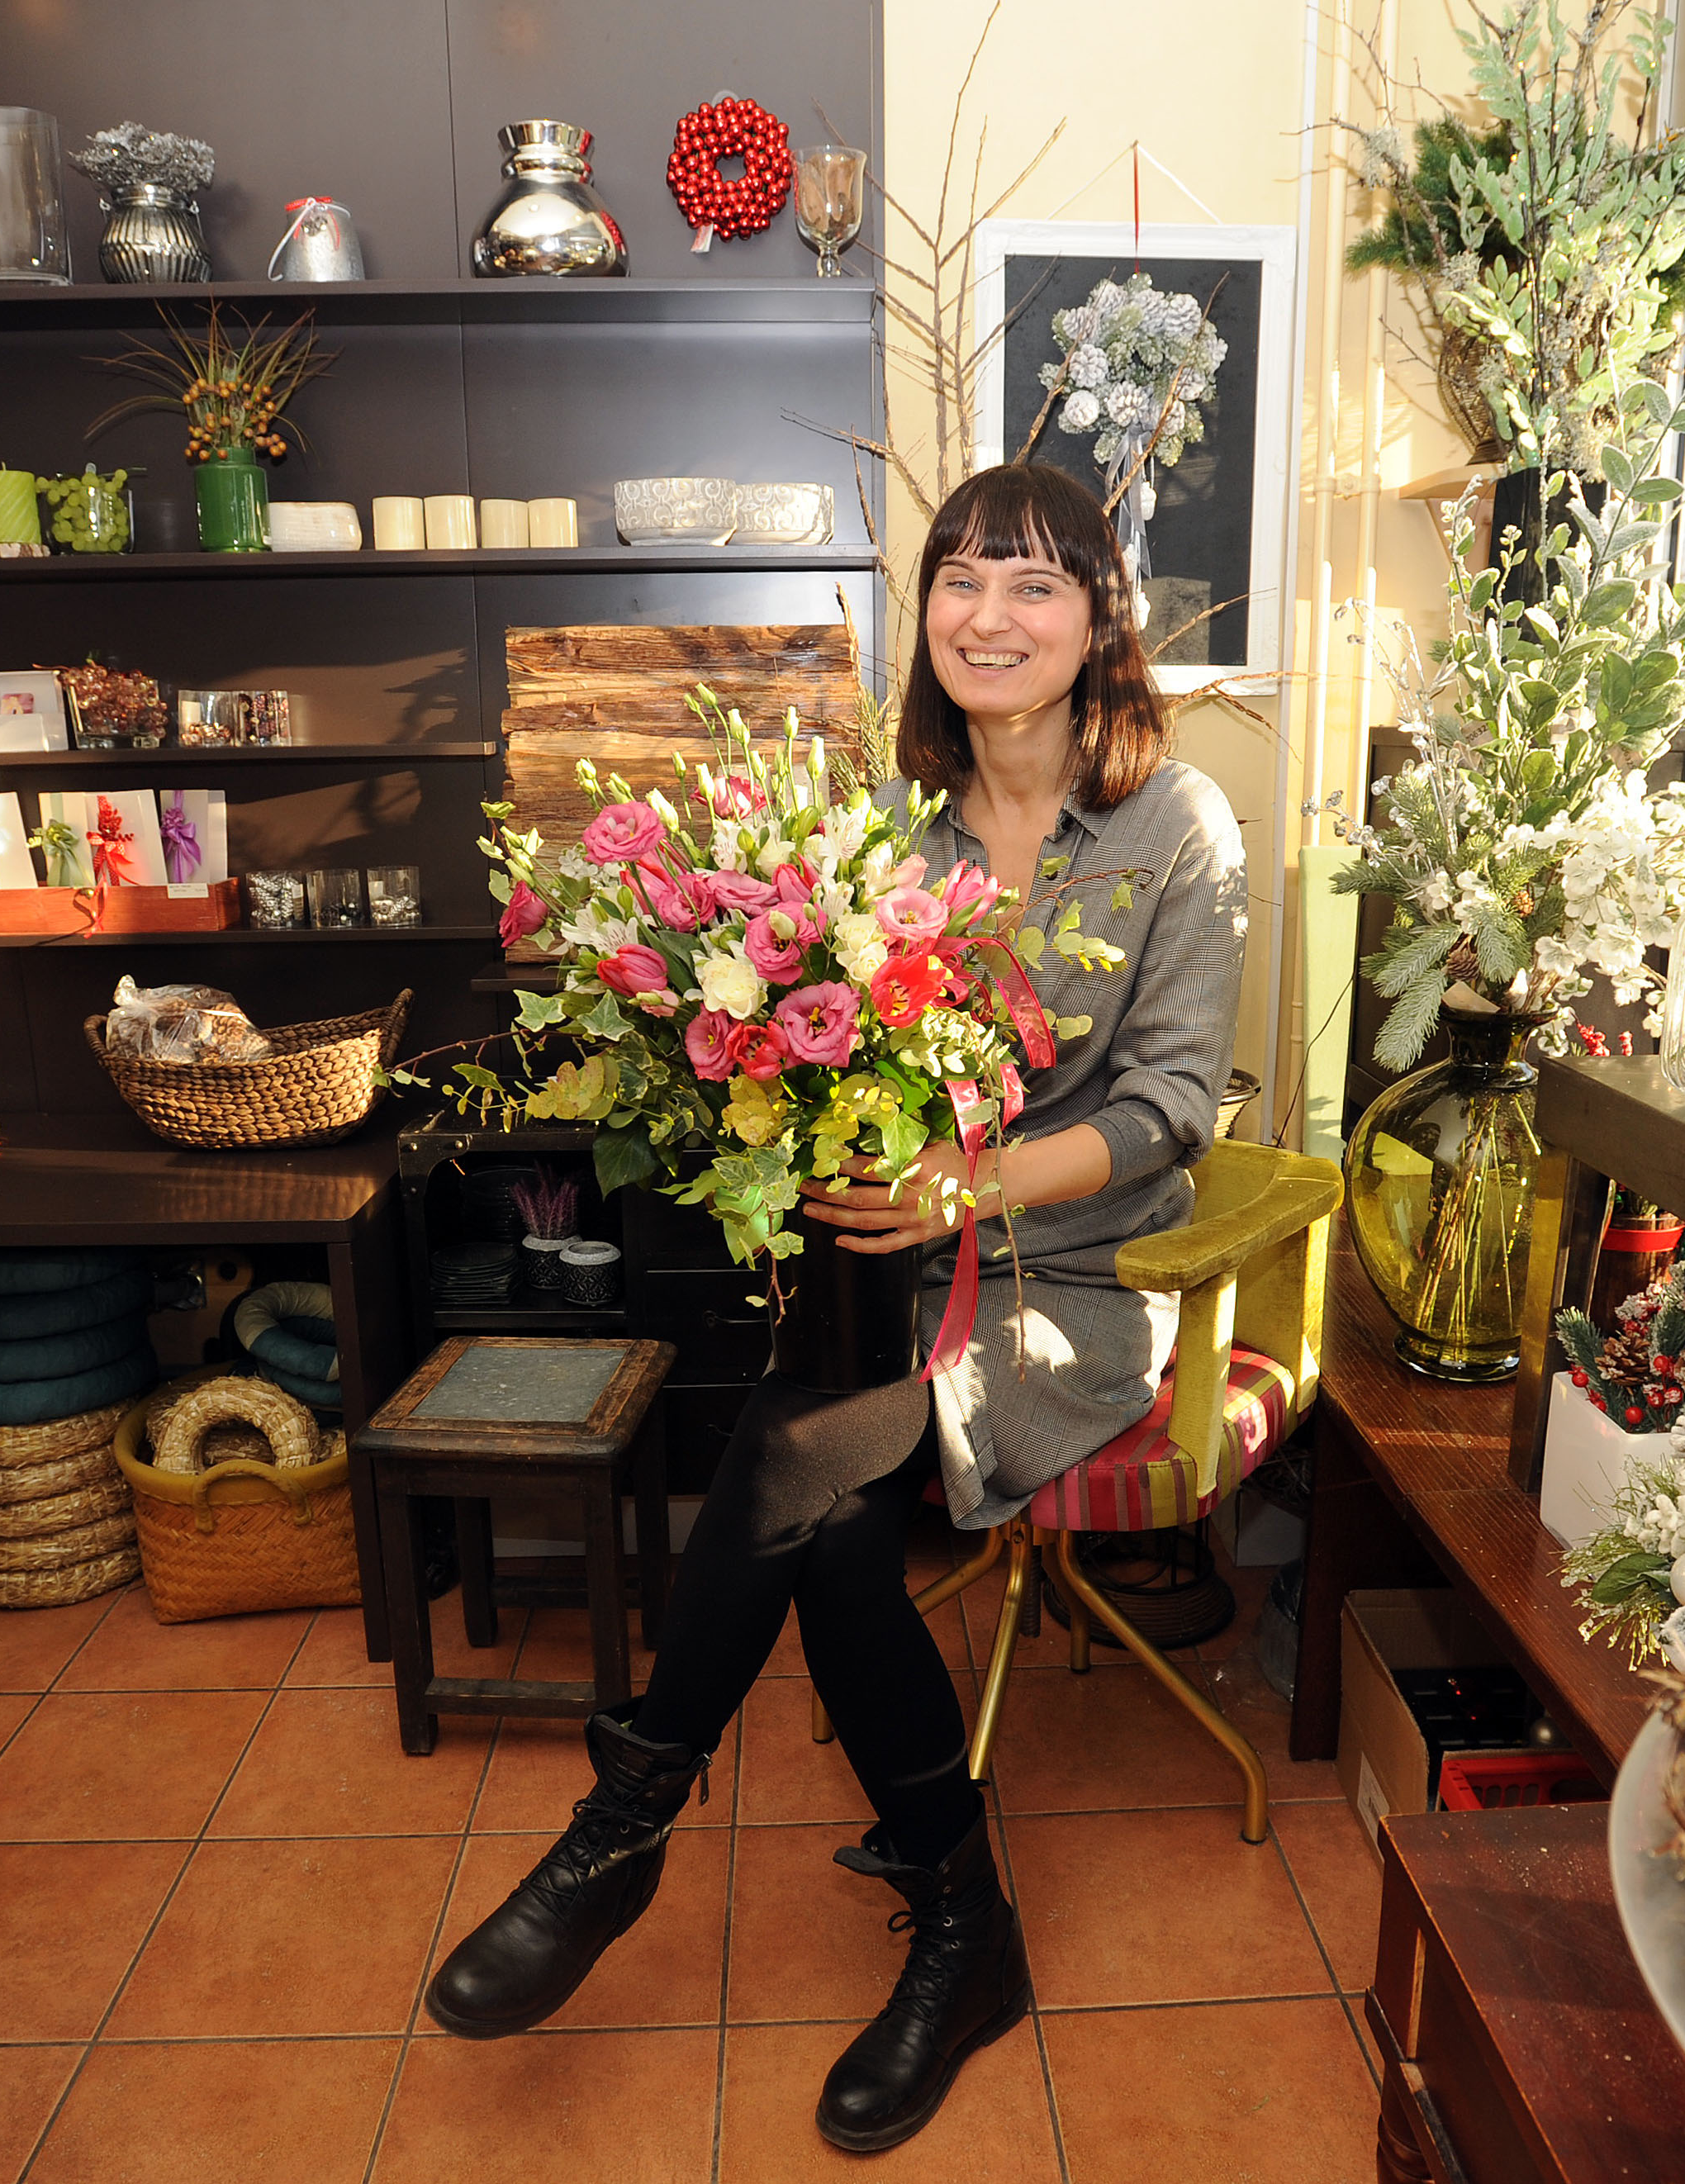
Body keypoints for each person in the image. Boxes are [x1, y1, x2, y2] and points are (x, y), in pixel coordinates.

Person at [421, 463, 1249, 2153]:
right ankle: (963, 1928)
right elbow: (845, 1072)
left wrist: (973, 1187)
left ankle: (623, 1817)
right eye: (958, 577)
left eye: (1032, 583)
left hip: (1070, 1283)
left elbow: (1174, 1104)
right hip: (892, 1269)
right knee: (840, 1529)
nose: (987, 615)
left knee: (794, 1465)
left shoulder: (1178, 826)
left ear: (1099, 621)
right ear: (925, 613)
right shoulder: (889, 830)